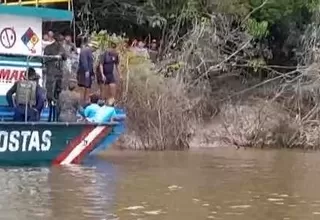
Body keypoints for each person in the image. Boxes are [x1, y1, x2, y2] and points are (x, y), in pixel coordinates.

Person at [43, 33, 67, 121]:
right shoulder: (48, 48)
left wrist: (61, 54)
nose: (61, 43)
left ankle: (56, 115)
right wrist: (54, 58)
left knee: (58, 95)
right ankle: (49, 116)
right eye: (60, 41)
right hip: (51, 74)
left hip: (59, 74)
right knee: (50, 95)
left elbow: (65, 57)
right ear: (56, 40)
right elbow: (45, 60)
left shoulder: (61, 48)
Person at [97, 41, 121, 105]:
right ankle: (101, 102)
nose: (112, 50)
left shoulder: (115, 55)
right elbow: (101, 65)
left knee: (113, 86)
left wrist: (120, 74)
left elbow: (117, 65)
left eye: (114, 49)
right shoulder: (104, 54)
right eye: (111, 48)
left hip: (110, 74)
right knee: (103, 90)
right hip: (101, 73)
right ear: (109, 48)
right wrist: (102, 75)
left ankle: (111, 102)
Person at [77, 38, 98, 104]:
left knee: (88, 87)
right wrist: (86, 70)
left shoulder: (89, 52)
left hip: (88, 72)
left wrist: (92, 74)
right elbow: (84, 61)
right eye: (95, 49)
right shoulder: (84, 51)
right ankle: (81, 103)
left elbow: (90, 64)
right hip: (84, 72)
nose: (94, 51)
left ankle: (86, 102)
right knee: (83, 88)